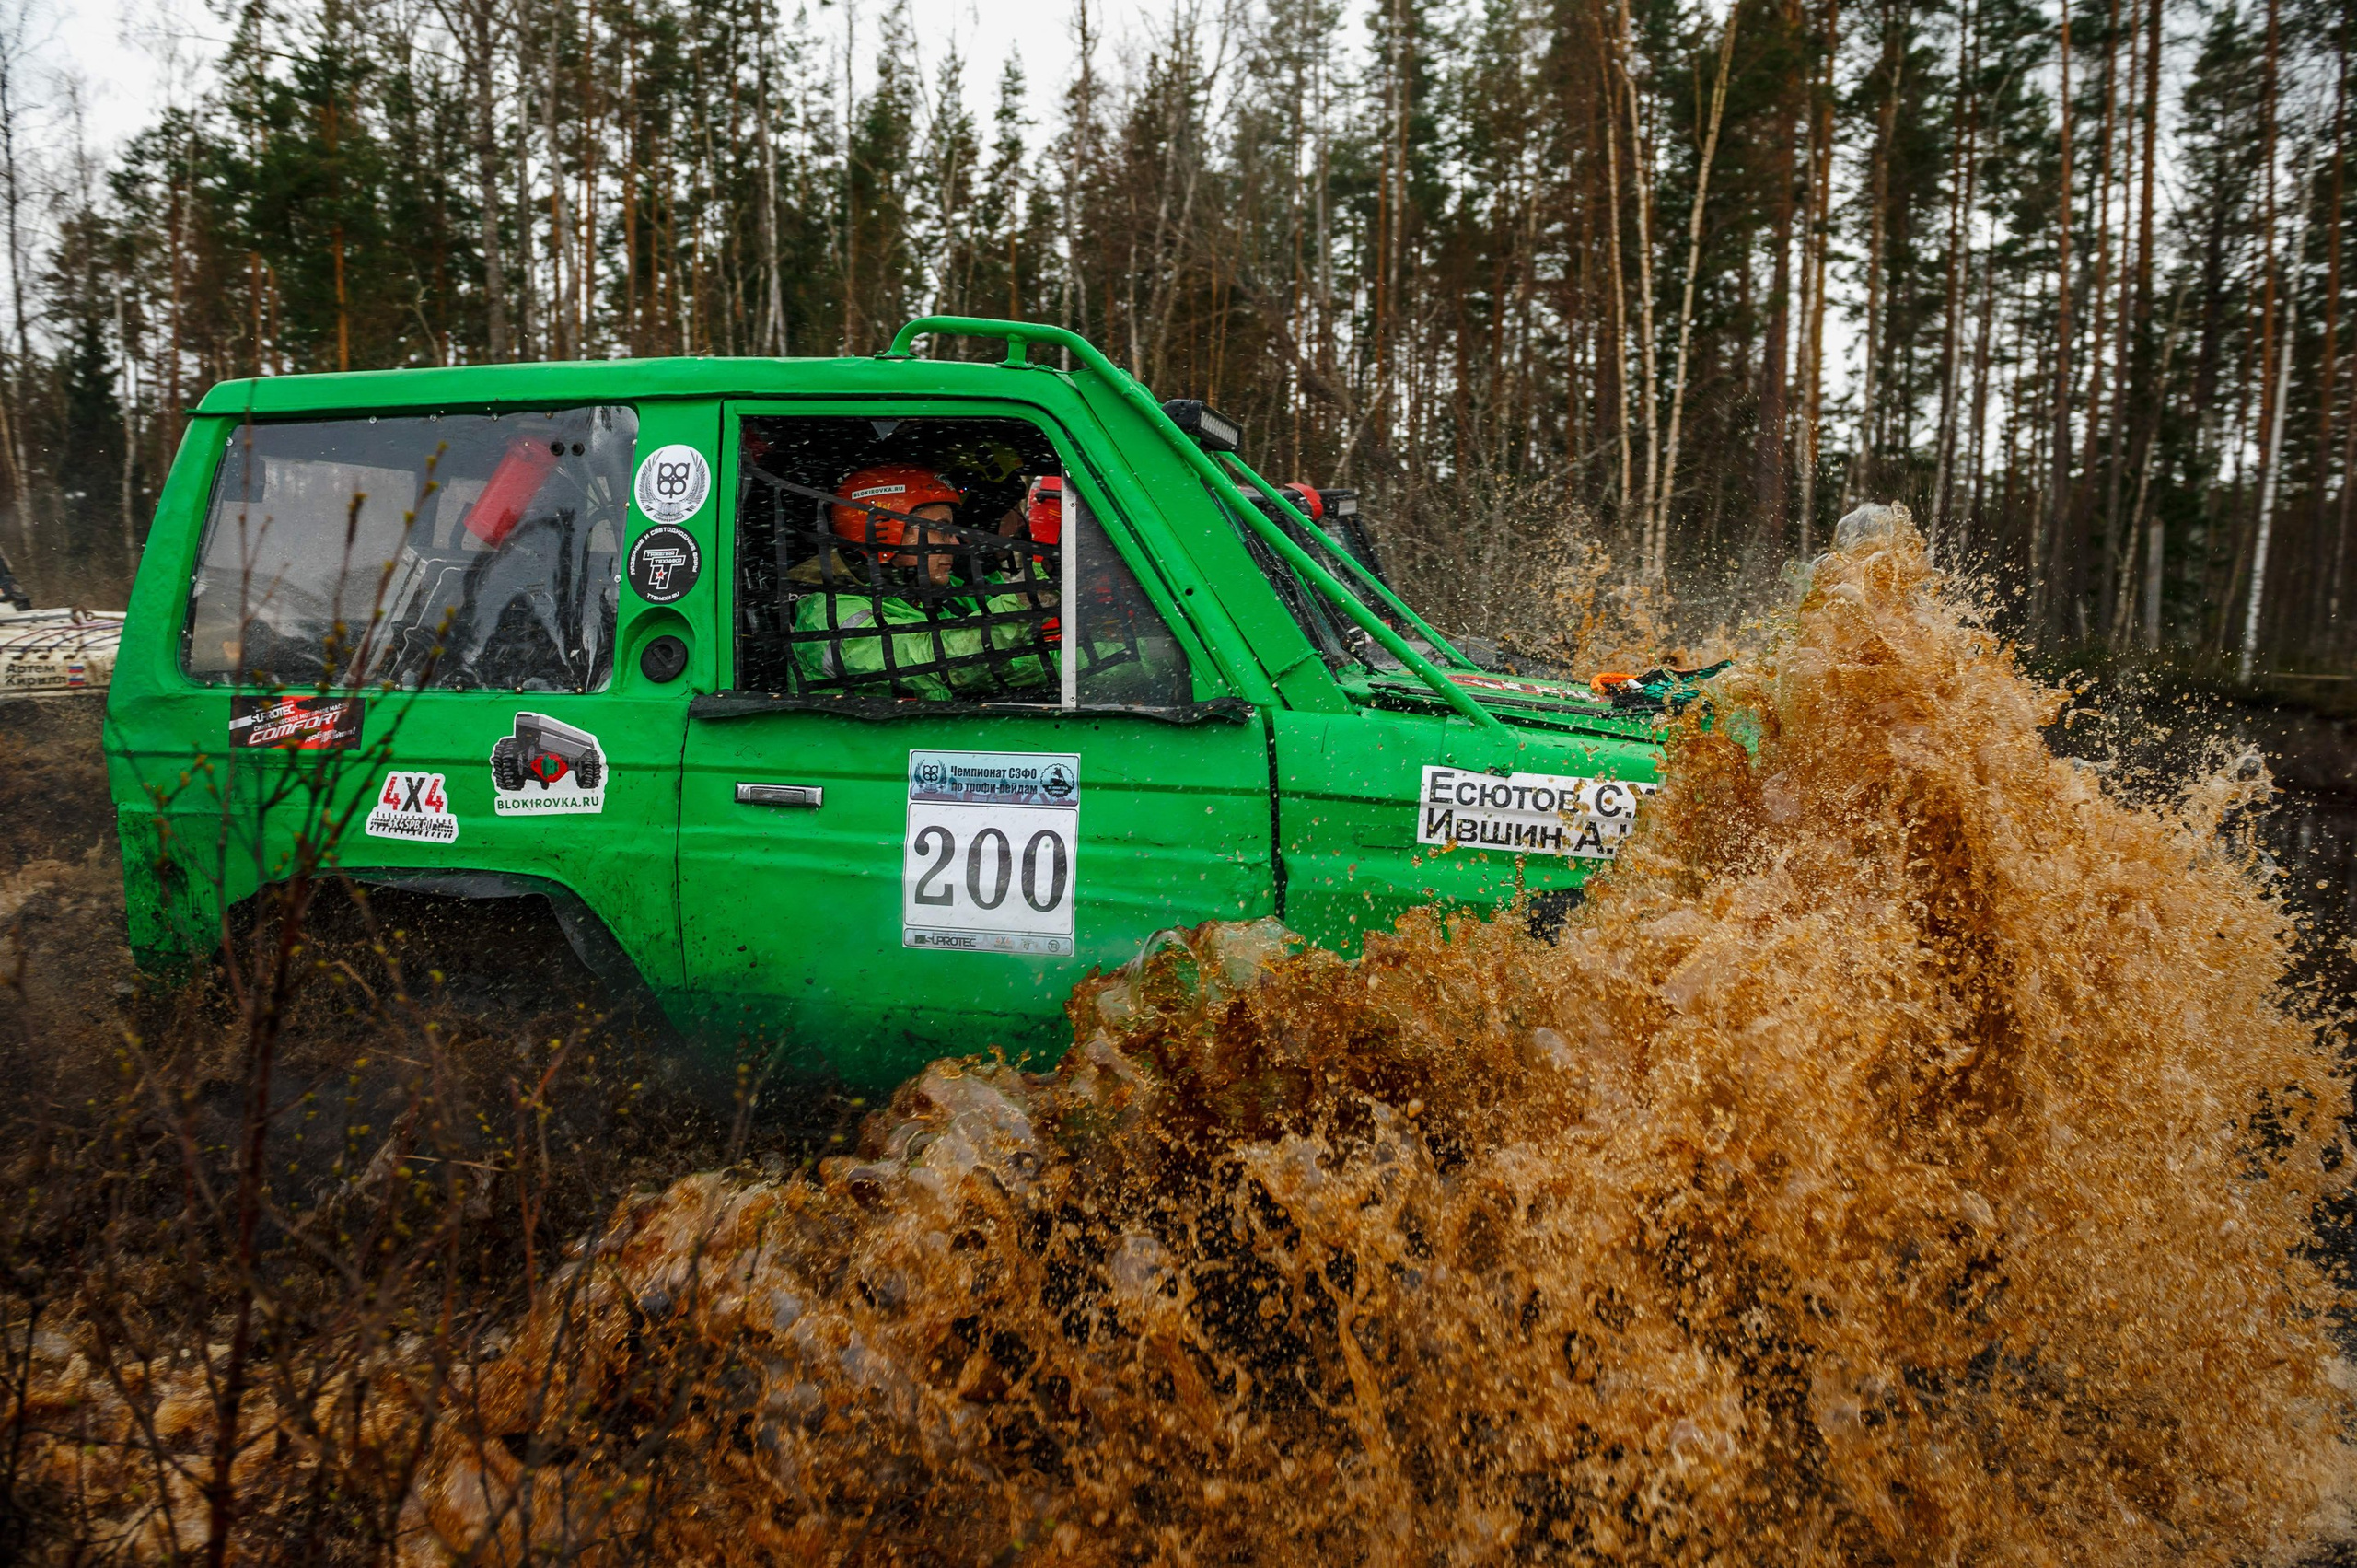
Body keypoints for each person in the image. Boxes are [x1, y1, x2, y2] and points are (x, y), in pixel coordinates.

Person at [790, 463, 1055, 700]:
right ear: (884, 533)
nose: (956, 543)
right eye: (943, 530)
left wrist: (1076, 663)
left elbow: (1007, 667)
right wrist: (1029, 597)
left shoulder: (933, 595)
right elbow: (934, 663)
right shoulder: (828, 613)